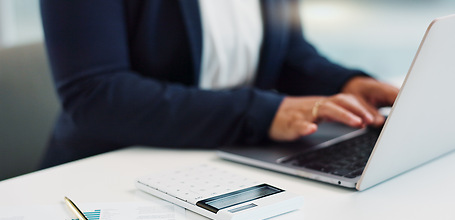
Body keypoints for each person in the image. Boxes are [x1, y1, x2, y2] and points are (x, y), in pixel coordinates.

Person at [39, 0, 399, 168]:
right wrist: (262, 111)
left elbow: (288, 52)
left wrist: (346, 83)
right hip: (112, 168)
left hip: (232, 159)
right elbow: (95, 94)